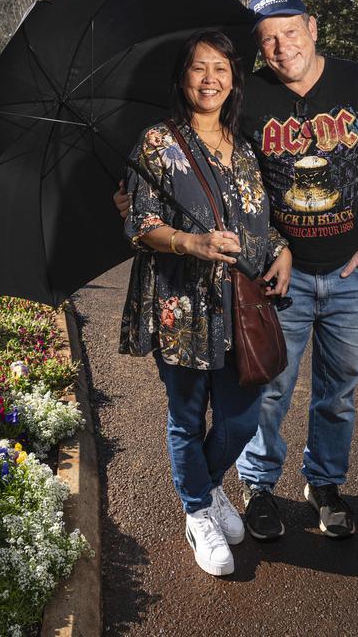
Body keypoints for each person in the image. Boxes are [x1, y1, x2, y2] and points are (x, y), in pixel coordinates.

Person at [115, 0, 358, 542]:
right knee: (264, 390)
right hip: (266, 286)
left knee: (337, 391)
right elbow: (156, 194)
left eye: (290, 32)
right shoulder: (238, 103)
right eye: (267, 40)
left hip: (349, 274)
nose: (281, 47)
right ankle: (248, 489)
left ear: (313, 27)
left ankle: (323, 484)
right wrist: (178, 232)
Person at [121, 29, 292, 577]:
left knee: (242, 418)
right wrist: (191, 242)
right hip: (182, 305)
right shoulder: (157, 143)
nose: (211, 78)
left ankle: (206, 486)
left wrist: (281, 249)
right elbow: (140, 222)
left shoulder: (242, 148)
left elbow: (257, 221)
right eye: (199, 68)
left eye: (221, 67)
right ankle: (197, 512)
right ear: (182, 78)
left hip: (238, 306)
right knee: (187, 418)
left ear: (234, 79)